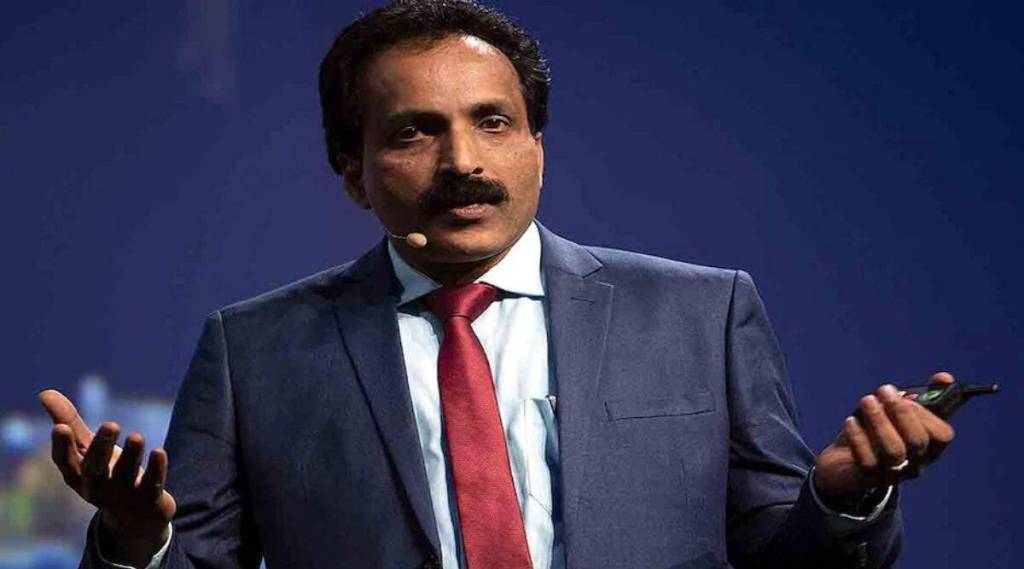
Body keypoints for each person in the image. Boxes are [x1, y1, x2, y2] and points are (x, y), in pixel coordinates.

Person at [39, 1, 957, 568]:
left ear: (537, 147)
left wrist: (843, 498)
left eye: (493, 122)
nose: (464, 162)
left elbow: (784, 557)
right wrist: (134, 539)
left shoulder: (702, 313)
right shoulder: (253, 349)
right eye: (414, 132)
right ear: (352, 172)